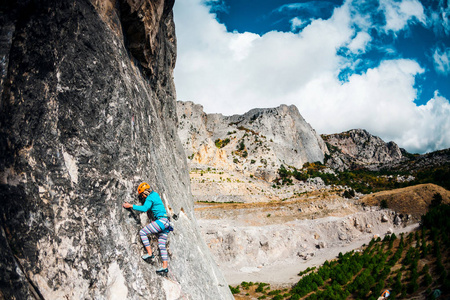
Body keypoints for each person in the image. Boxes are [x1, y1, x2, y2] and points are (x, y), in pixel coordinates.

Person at [123, 182, 171, 275]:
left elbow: (145, 208)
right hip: (166, 222)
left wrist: (130, 206)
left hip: (161, 221)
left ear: (144, 193)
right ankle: (165, 267)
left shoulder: (149, 198)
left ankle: (149, 254)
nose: (143, 197)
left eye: (142, 195)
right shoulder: (155, 194)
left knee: (142, 232)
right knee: (161, 245)